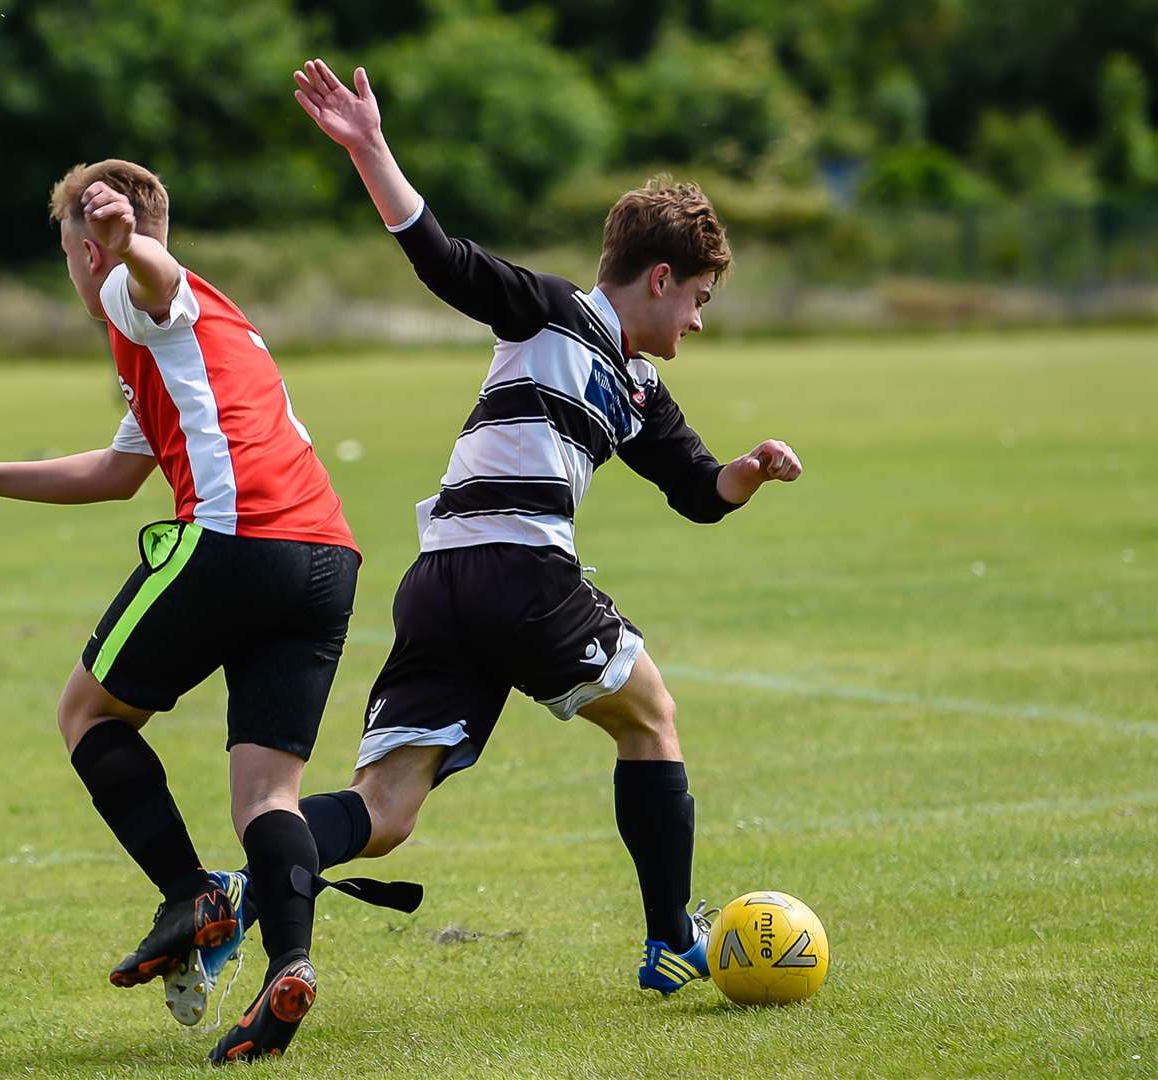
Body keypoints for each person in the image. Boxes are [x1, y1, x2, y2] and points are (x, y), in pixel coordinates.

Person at [201, 59, 805, 999]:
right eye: (698, 299)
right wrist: (369, 147)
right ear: (659, 277)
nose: (696, 320)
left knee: (387, 807)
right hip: (517, 572)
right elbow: (443, 258)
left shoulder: (636, 386)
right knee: (650, 718)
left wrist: (750, 471)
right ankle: (670, 942)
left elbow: (696, 490)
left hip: (439, 582)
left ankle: (243, 890)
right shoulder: (553, 311)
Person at [0, 159, 413, 1065]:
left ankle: (194, 895)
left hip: (235, 540)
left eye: (69, 251)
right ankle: (287, 968)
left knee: (86, 713)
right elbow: (120, 470)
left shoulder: (142, 297)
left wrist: (129, 247)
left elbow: (157, 280)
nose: (71, 271)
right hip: (327, 560)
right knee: (266, 795)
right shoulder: (201, 337)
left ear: (88, 250)